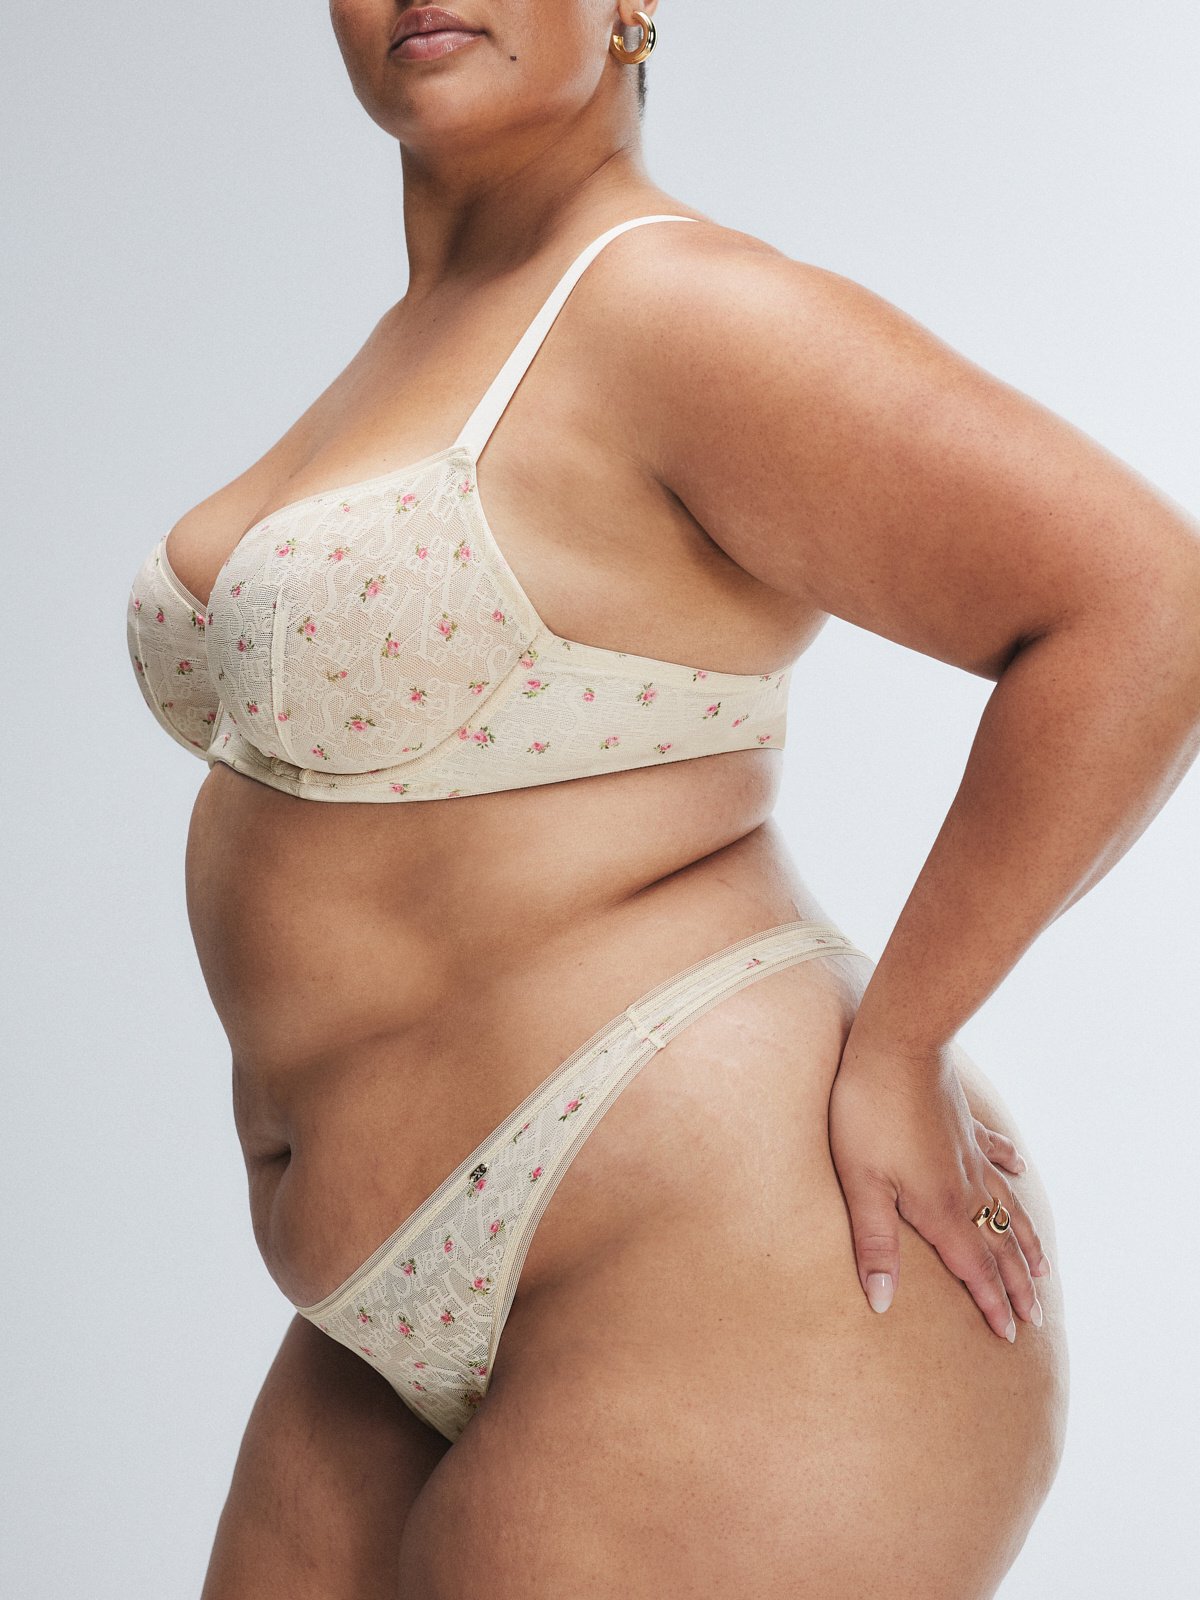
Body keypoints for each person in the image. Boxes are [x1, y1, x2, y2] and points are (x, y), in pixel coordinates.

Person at [124, 5, 1200, 1596]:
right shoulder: (419, 338)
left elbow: (1145, 605)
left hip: (729, 1258)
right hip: (372, 1316)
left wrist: (902, 1044)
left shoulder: (668, 305)